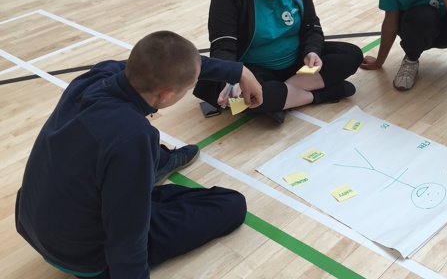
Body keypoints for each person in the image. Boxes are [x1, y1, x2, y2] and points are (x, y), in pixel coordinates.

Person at [16, 31, 264, 278]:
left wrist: (240, 72)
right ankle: (157, 165)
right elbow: (127, 238)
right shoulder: (132, 137)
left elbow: (186, 63)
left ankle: (159, 162)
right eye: (188, 87)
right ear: (167, 94)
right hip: (86, 257)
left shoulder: (99, 75)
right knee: (231, 204)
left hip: (33, 224)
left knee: (130, 162)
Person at [194, 0, 363, 124]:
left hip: (295, 64)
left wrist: (311, 51)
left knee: (352, 55)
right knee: (240, 96)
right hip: (254, 70)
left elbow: (312, 25)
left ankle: (283, 97)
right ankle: (319, 95)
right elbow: (223, 44)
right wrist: (234, 77)